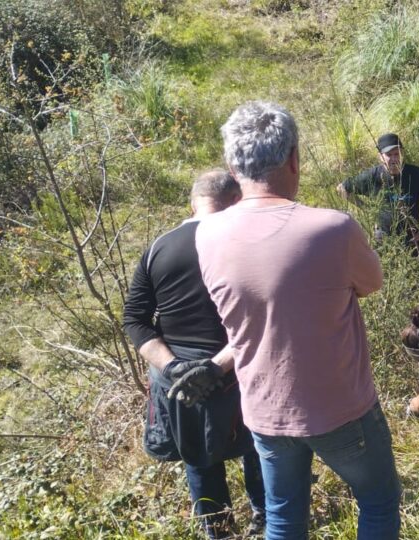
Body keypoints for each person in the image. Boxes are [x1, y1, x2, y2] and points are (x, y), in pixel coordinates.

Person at [198, 101, 401, 539]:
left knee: (284, 517)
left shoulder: (207, 234)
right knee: (379, 501)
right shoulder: (332, 229)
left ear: (234, 167)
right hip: (341, 409)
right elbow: (371, 283)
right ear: (294, 159)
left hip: (265, 411)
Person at [123, 169, 265, 539]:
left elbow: (135, 320)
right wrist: (215, 367)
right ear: (236, 201)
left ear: (193, 203)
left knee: (199, 461)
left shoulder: (158, 248)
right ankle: (266, 520)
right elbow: (266, 314)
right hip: (239, 372)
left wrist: (173, 368)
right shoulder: (247, 241)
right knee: (260, 449)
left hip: (180, 383)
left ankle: (219, 532)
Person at [337, 132, 419, 254]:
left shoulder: (415, 174)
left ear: (402, 154)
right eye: (388, 155)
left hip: (413, 239)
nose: (394, 159)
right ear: (380, 157)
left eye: (396, 154)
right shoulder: (373, 176)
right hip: (383, 240)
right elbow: (342, 189)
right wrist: (368, 210)